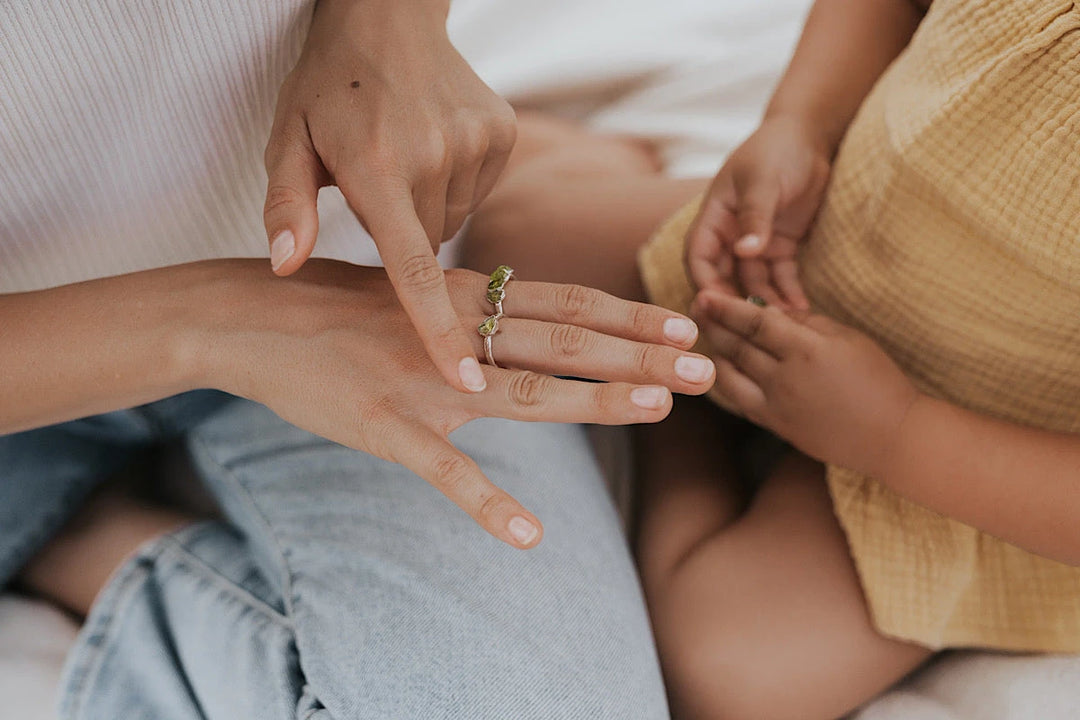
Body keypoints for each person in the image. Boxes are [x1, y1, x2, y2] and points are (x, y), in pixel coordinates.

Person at [0, 1, 719, 717]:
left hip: (356, 282)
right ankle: (85, 538)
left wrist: (384, 23)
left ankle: (92, 536)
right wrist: (217, 319)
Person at [464, 0, 1080, 717]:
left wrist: (895, 433)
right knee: (506, 254)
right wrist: (799, 121)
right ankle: (623, 224)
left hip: (979, 462)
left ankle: (675, 409)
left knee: (727, 676)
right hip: (808, 261)